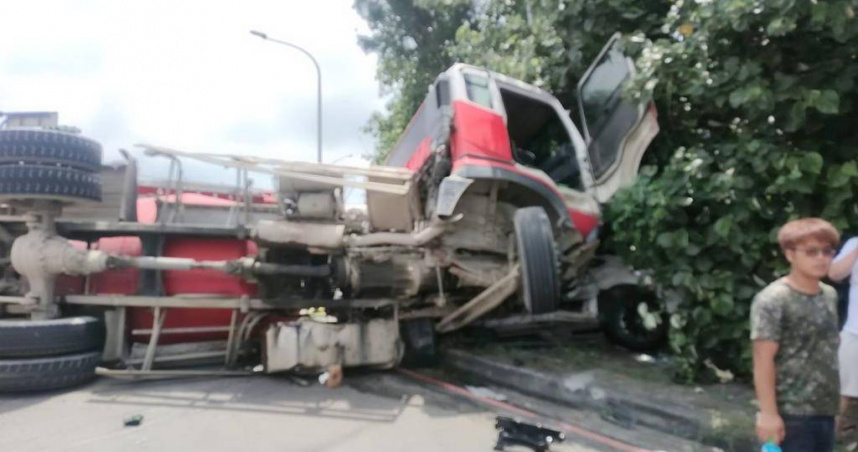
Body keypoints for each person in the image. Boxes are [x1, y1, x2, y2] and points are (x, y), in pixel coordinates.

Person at [751, 218, 841, 451]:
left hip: (824, 412)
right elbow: (763, 360)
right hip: (791, 413)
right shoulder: (774, 300)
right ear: (790, 254)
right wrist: (769, 414)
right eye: (811, 252)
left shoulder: (829, 295)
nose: (821, 258)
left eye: (827, 251)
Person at [829, 236, 858, 438]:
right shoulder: (854, 243)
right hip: (854, 332)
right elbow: (834, 274)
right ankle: (824, 444)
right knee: (840, 395)